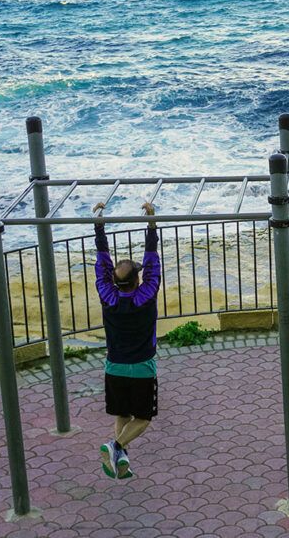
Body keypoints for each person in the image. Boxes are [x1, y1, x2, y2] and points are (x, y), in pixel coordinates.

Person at [92, 201, 160, 479]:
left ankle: (120, 461)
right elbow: (153, 260)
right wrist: (152, 223)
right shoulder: (146, 296)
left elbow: (101, 263)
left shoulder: (107, 296)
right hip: (142, 366)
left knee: (122, 414)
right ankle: (115, 445)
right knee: (142, 418)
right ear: (138, 280)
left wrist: (99, 225)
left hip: (115, 366)